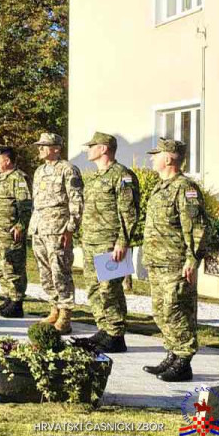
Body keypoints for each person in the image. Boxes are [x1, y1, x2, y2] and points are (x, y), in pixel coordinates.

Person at [141, 138, 205, 382]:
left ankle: (184, 360)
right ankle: (173, 353)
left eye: (156, 154)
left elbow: (196, 227)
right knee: (160, 311)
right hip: (158, 261)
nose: (152, 158)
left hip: (176, 262)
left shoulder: (185, 188)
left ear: (168, 158)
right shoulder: (161, 187)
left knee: (176, 309)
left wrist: (192, 259)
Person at [79, 132, 139, 353]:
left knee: (109, 289)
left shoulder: (122, 175)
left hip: (110, 243)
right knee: (94, 288)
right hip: (91, 242)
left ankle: (115, 333)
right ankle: (104, 328)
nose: (88, 149)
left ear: (103, 149)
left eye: (92, 146)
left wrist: (122, 241)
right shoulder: (95, 177)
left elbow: (129, 212)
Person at [30, 132, 83, 334]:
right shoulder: (39, 171)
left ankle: (65, 314)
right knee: (45, 271)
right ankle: (54, 307)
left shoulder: (68, 170)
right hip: (39, 227)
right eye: (40, 145)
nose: (40, 149)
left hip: (58, 228)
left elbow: (76, 200)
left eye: (45, 145)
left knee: (60, 270)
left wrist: (71, 227)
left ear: (56, 148)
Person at [0, 147, 32, 319]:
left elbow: (25, 205)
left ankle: (17, 303)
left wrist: (21, 225)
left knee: (12, 266)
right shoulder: (1, 179)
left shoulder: (18, 178)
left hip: (9, 232)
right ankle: (8, 298)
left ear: (7, 160)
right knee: (0, 266)